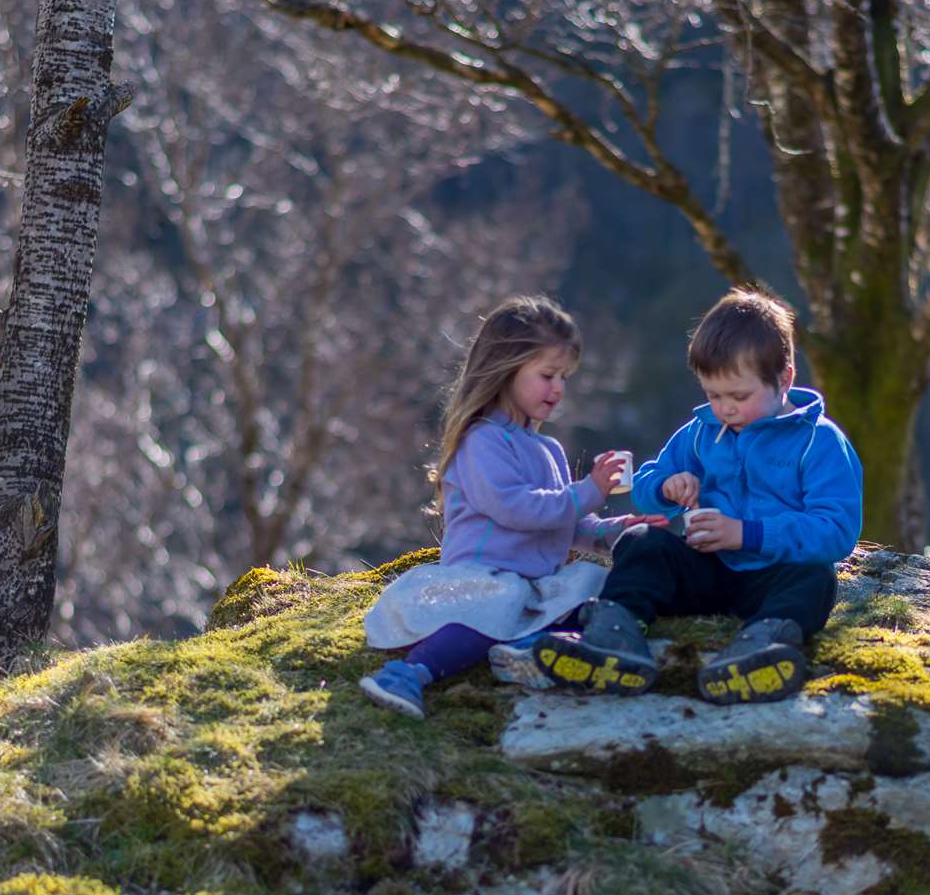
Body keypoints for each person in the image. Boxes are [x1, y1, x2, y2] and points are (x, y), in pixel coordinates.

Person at [533, 289, 863, 704]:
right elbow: (648, 486)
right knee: (641, 542)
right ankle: (613, 635)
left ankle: (760, 649)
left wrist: (746, 533)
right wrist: (666, 487)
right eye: (713, 395)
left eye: (739, 396)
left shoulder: (820, 441)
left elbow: (836, 530)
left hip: (773, 576)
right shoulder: (701, 432)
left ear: (784, 379)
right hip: (706, 569)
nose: (725, 409)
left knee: (815, 579)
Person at [360, 296, 663, 718]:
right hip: (483, 579)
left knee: (592, 583)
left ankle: (530, 650)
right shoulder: (481, 441)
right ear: (506, 370)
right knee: (497, 604)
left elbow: (565, 522)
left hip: (532, 584)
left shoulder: (549, 449)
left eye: (564, 377)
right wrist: (591, 489)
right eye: (547, 375)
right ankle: (408, 673)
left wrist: (618, 531)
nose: (558, 388)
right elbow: (518, 510)